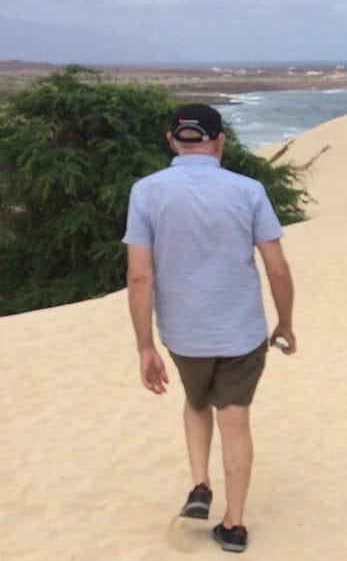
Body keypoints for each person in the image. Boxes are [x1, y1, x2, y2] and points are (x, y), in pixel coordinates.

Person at [123, 103, 296, 554]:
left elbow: (139, 275)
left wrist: (145, 346)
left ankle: (200, 484)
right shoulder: (249, 190)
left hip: (183, 332)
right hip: (242, 330)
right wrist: (287, 322)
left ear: (171, 140)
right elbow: (277, 268)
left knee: (196, 402)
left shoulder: (146, 192)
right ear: (219, 141)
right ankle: (234, 526)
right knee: (235, 420)